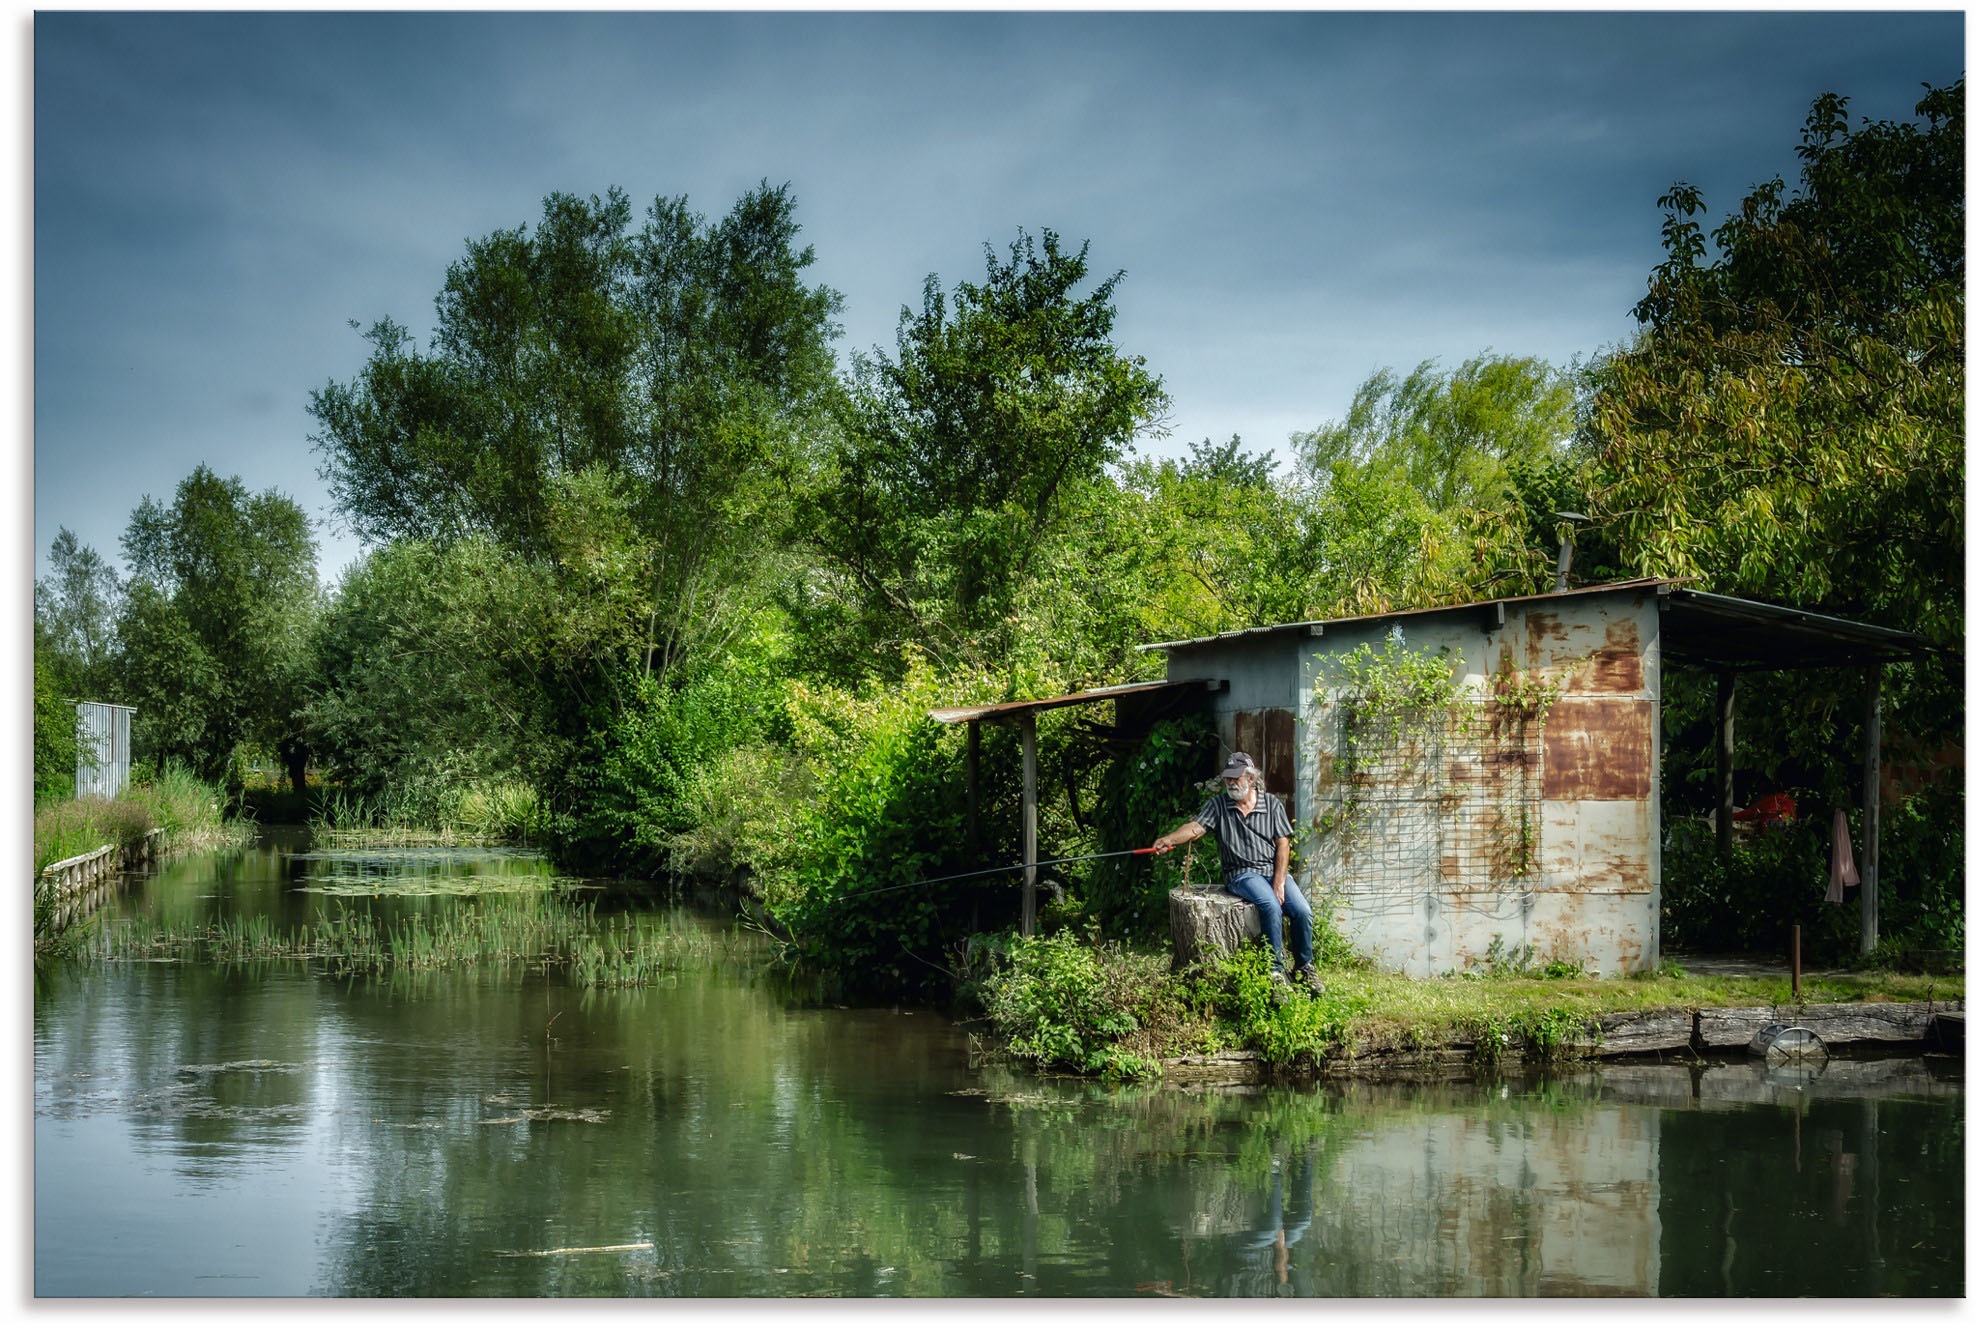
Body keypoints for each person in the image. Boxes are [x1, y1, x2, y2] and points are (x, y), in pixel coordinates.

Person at [1150, 752, 1321, 990]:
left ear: (1250, 779)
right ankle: (1276, 973)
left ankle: (1304, 967)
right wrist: (1169, 839)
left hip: (1272, 871)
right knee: (1270, 905)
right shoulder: (1218, 805)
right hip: (1241, 873)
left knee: (1302, 911)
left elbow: (1283, 844)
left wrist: (1280, 881)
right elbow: (1195, 828)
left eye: (1235, 778)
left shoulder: (1271, 804)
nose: (1230, 783)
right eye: (1227, 778)